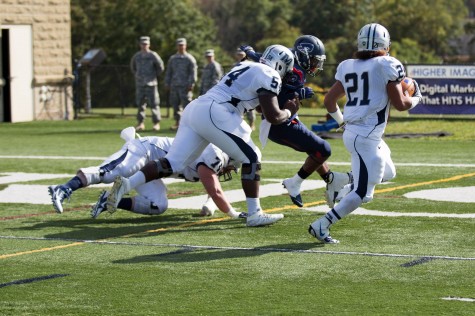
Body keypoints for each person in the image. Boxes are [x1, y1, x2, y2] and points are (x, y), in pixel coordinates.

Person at [105, 44, 299, 227]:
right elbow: (273, 116)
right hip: (218, 111)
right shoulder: (270, 73)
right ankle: (255, 213)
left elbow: (256, 104)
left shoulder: (246, 65)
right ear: (280, 64)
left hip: (196, 108)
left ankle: (127, 184)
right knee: (252, 157)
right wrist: (289, 111)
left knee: (173, 162)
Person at [308, 23, 423, 244]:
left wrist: (341, 122)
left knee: (388, 172)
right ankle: (322, 224)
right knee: (363, 194)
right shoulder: (386, 64)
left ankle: (346, 183)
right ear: (385, 44)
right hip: (365, 138)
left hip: (360, 133)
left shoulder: (348, 65)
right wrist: (417, 96)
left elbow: (329, 100)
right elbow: (400, 104)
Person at [240, 36, 351, 208]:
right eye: (314, 60)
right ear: (304, 54)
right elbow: (280, 100)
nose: (315, 65)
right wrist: (298, 94)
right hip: (279, 123)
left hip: (284, 118)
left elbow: (262, 57)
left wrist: (250, 52)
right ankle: (295, 183)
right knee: (323, 149)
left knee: (315, 149)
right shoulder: (295, 72)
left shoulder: (287, 57)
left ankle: (330, 180)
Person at [47, 127, 243, 219]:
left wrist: (208, 205)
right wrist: (232, 213)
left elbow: (213, 188)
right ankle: (64, 188)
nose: (228, 171)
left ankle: (108, 201)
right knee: (112, 172)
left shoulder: (216, 162)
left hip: (152, 172)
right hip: (146, 151)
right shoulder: (215, 154)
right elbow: (214, 189)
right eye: (232, 167)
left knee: (159, 205)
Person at [130, 36, 165, 131]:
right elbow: (133, 67)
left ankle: (156, 123)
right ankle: (140, 123)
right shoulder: (137, 56)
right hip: (140, 83)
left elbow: (160, 67)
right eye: (142, 44)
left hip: (151, 83)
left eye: (146, 44)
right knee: (140, 104)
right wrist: (138, 76)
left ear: (149, 44)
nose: (144, 45)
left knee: (154, 104)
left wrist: (153, 75)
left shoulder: (153, 55)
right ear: (140, 45)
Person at [165, 38, 198, 130]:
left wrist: (191, 84)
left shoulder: (189, 59)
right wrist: (167, 83)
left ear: (185, 46)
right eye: (179, 45)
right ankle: (178, 122)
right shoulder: (173, 59)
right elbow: (169, 72)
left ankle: (189, 124)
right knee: (175, 105)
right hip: (174, 86)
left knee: (187, 105)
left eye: (182, 45)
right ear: (177, 46)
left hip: (185, 86)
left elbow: (193, 72)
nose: (181, 47)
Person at [234, 47, 256, 131]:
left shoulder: (250, 64)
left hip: (248, 89)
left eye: (241, 54)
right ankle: (239, 124)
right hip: (238, 89)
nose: (240, 56)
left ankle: (252, 124)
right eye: (239, 54)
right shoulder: (236, 65)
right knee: (238, 107)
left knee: (249, 107)